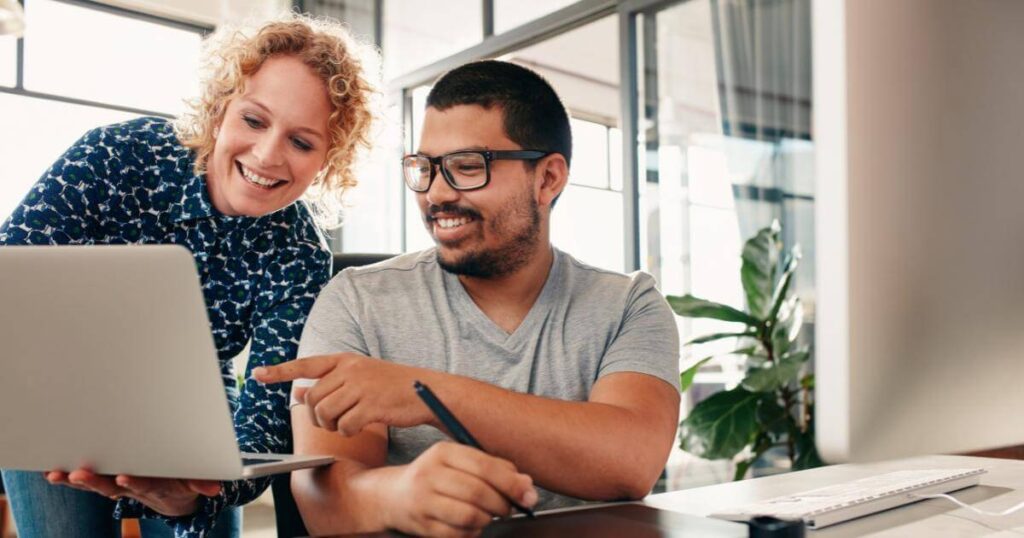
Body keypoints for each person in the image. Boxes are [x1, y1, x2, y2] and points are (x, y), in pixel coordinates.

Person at [254, 60, 681, 537]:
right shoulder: (355, 299)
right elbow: (322, 502)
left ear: (548, 179)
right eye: (424, 168)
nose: (436, 193)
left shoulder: (629, 304)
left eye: (466, 167)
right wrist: (398, 497)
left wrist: (428, 395)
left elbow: (630, 461)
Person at [0, 13, 377, 538]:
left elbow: (268, 414)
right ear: (220, 110)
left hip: (194, 397)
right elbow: (10, 277)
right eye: (253, 120)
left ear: (328, 161)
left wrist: (202, 489)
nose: (267, 155)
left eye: (302, 142)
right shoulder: (114, 155)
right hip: (60, 387)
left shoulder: (301, 254)